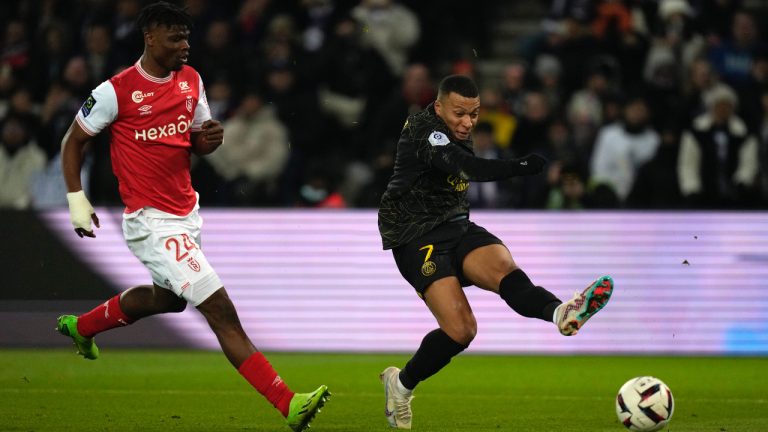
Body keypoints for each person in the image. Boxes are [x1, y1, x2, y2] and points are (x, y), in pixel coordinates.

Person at [55, 4, 328, 431]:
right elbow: (73, 142)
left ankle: (82, 327)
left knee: (170, 299)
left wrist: (209, 141)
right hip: (150, 220)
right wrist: (76, 198)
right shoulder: (115, 91)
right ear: (150, 37)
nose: (185, 46)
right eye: (175, 38)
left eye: (187, 38)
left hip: (186, 213)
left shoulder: (191, 80)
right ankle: (288, 403)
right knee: (220, 309)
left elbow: (196, 140)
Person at [377, 75, 614, 429]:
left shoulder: (455, 129)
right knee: (461, 331)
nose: (467, 122)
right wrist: (521, 166)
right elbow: (469, 168)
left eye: (473, 114)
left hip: (456, 225)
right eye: (459, 113)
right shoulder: (424, 128)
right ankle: (401, 385)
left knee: (505, 269)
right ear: (439, 106)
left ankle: (561, 313)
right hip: (415, 235)